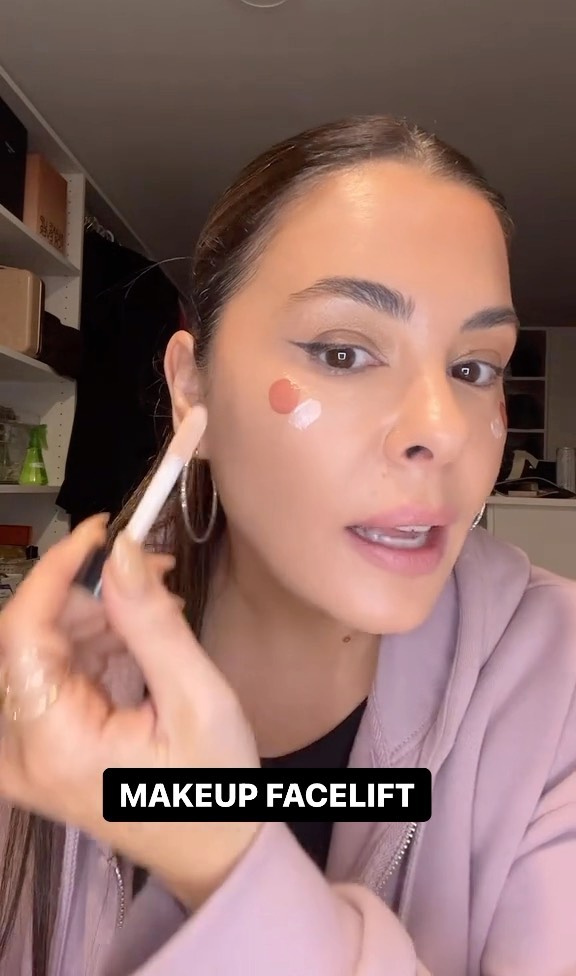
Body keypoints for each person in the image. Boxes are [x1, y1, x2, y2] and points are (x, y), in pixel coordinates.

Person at [0, 115, 575, 976]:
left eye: (474, 368)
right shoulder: (38, 682)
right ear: (193, 388)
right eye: (343, 352)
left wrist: (219, 855)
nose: (443, 429)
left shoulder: (560, 684)